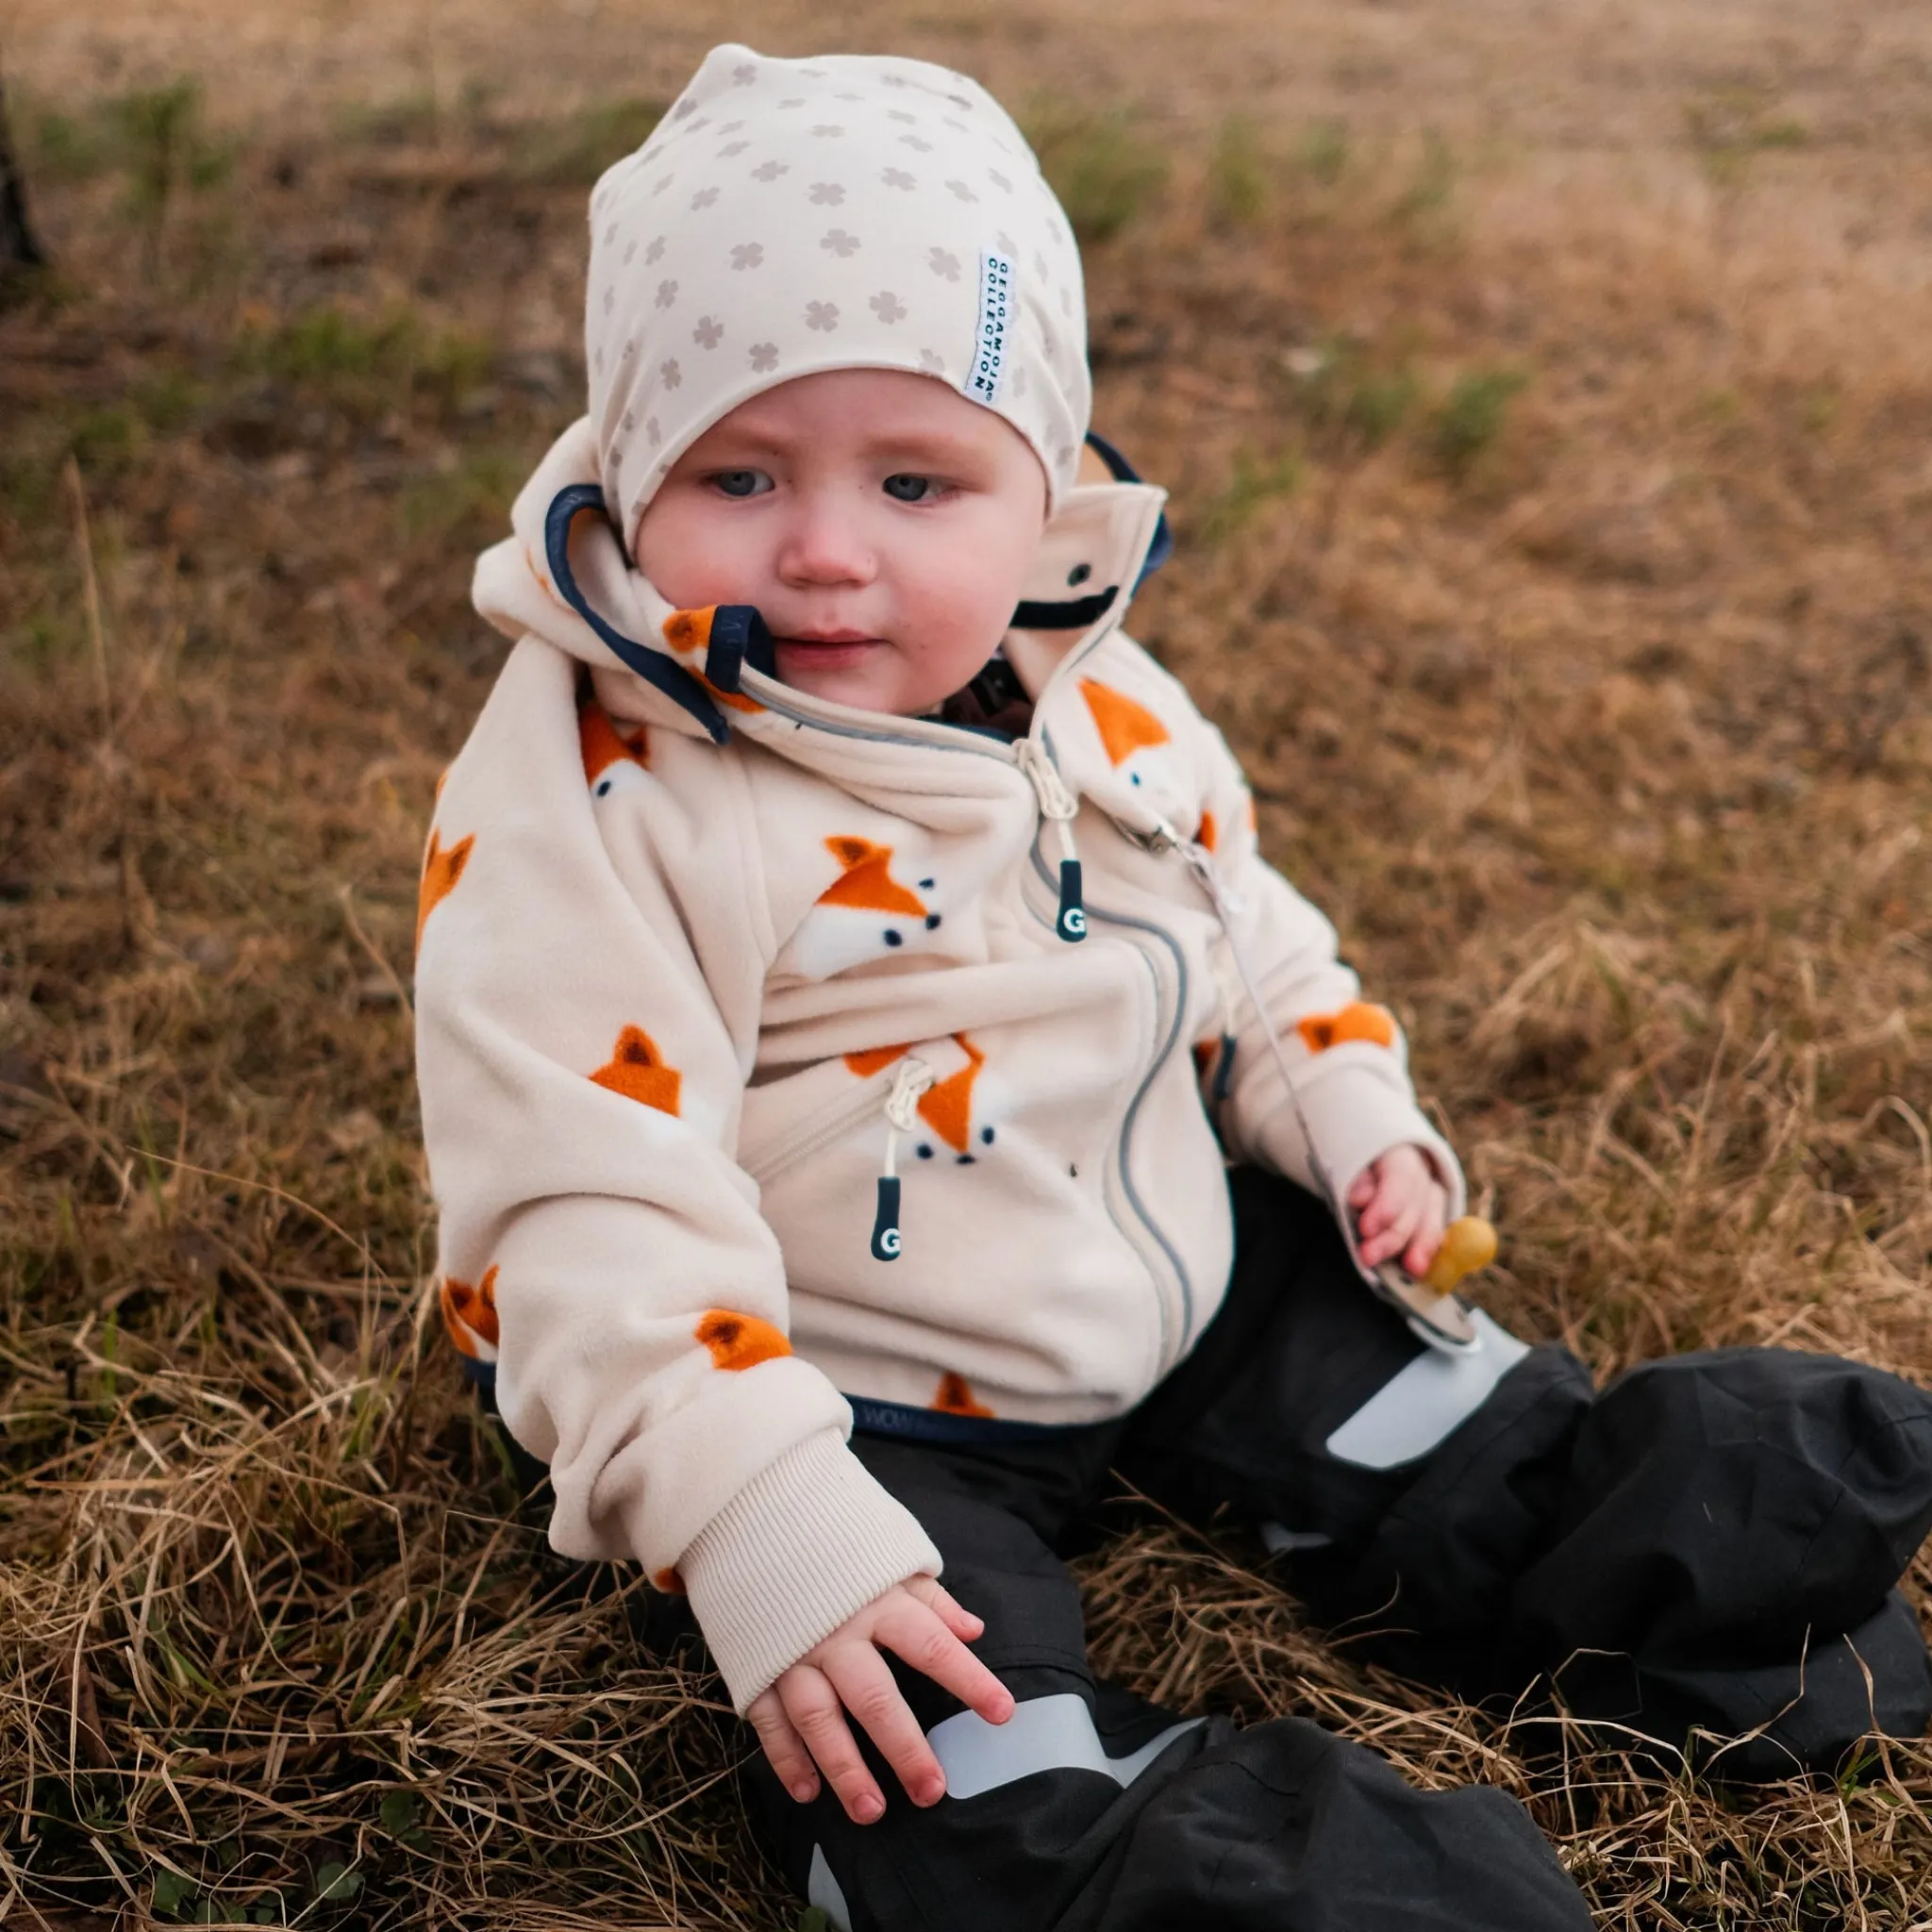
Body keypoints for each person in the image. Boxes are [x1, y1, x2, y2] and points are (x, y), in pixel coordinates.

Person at [414, 43, 1932, 1930]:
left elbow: (1240, 913)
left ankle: (1684, 1572)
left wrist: (1345, 1104)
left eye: (913, 477)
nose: (823, 545)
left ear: (1035, 482)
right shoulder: (605, 784)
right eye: (737, 472)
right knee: (922, 1746)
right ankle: (1205, 1871)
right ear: (636, 469)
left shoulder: (1083, 676)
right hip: (839, 1389)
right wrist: (753, 1514)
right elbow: (576, 1187)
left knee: (1452, 1434)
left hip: (1172, 1269)